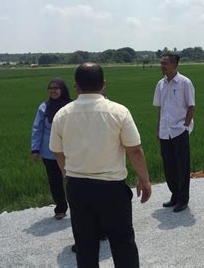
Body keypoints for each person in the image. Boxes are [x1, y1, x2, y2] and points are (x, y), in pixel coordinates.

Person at [50, 63, 151, 268]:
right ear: (103, 84)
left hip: (78, 187)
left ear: (76, 86)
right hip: (111, 189)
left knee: (85, 245)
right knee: (122, 243)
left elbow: (57, 152)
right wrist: (145, 180)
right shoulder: (119, 111)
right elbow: (135, 150)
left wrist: (67, 173)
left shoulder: (62, 114)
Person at [153, 53, 195, 213]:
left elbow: (191, 106)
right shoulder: (160, 84)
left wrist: (185, 126)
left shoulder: (185, 83)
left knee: (182, 166)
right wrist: (158, 128)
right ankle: (174, 195)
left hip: (179, 130)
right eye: (161, 63)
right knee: (168, 165)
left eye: (164, 63)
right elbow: (160, 108)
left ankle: (183, 200)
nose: (161, 66)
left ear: (174, 65)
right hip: (165, 132)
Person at [31, 77, 72, 220]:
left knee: (74, 180)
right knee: (54, 181)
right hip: (49, 152)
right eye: (50, 88)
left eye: (56, 88)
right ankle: (60, 208)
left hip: (70, 151)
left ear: (63, 89)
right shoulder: (43, 107)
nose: (52, 91)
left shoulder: (72, 106)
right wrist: (35, 149)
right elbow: (37, 128)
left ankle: (78, 206)